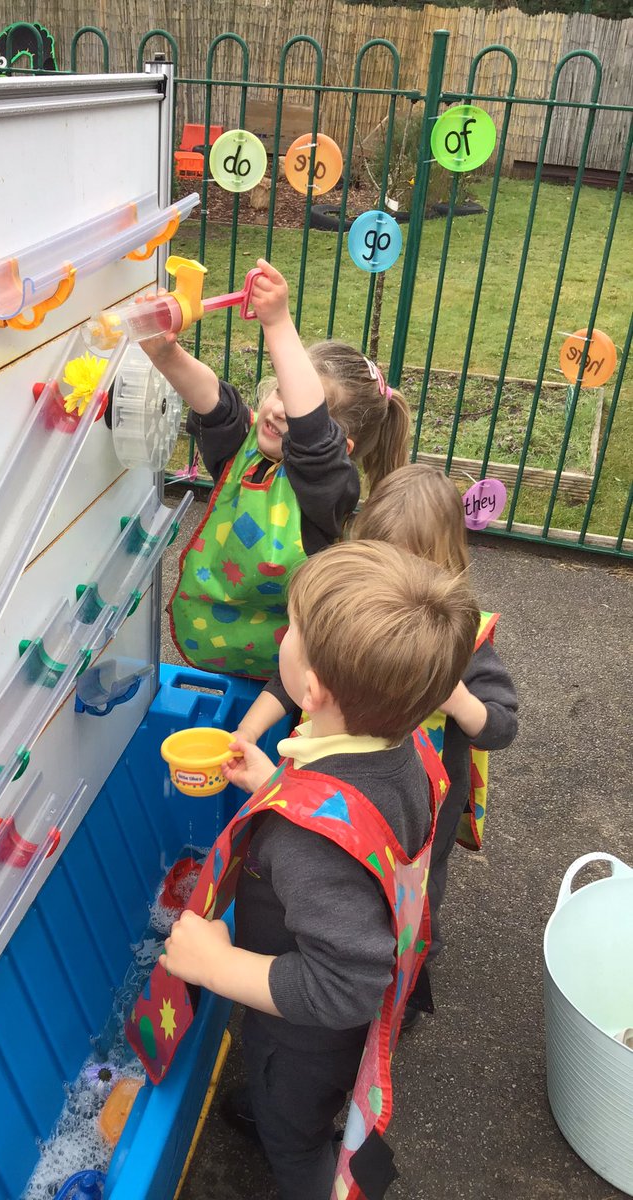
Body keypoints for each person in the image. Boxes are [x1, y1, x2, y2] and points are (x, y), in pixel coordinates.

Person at [140, 540, 480, 1200]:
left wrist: (216, 965)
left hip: (305, 1037)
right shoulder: (400, 744)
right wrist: (275, 781)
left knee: (293, 1138)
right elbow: (361, 825)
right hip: (335, 1031)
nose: (282, 635)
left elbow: (343, 986)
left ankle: (294, 1138)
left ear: (312, 688)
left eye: (291, 628)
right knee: (297, 1098)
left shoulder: (307, 845)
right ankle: (288, 1108)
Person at [139, 257, 411, 681]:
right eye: (279, 391)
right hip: (218, 638)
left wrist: (278, 324)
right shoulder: (243, 445)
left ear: (340, 449)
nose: (282, 410)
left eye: (298, 405)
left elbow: (310, 434)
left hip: (294, 664)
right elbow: (215, 400)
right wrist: (166, 354)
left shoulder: (330, 487)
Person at [349, 463, 519, 961]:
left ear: (445, 564)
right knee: (357, 867)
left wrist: (459, 698)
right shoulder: (359, 611)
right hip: (362, 778)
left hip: (431, 801)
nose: (392, 583)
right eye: (380, 563)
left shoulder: (463, 639)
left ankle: (415, 955)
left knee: (419, 880)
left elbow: (501, 727)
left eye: (408, 566)